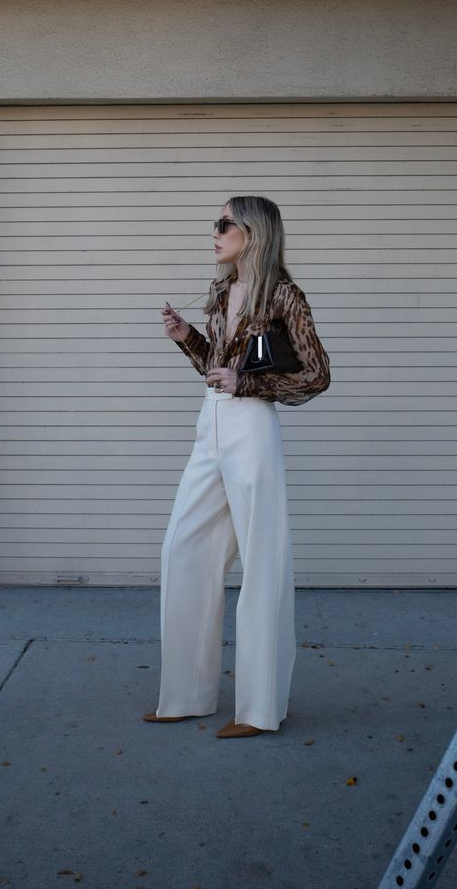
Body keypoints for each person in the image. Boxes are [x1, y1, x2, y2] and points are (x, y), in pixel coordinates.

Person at [144, 195, 330, 738]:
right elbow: (219, 370)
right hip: (212, 426)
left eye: (224, 223)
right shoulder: (225, 292)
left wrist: (245, 383)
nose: (215, 232)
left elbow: (316, 376)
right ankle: (185, 695)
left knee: (263, 563)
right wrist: (188, 341)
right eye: (217, 223)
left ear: (253, 232)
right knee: (184, 549)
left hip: (252, 430)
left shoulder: (286, 296)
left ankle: (259, 708)